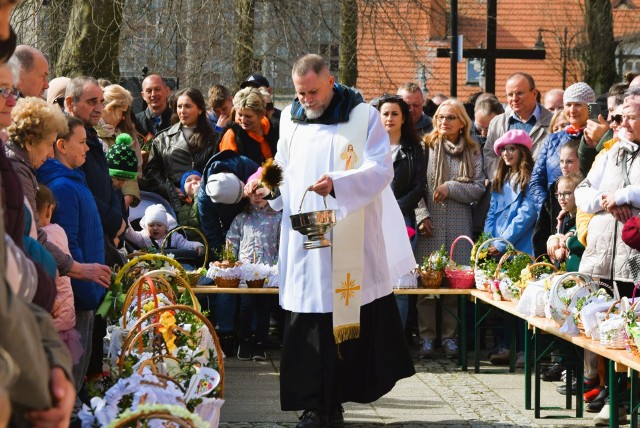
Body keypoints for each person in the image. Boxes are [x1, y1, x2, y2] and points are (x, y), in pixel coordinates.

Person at [246, 53, 415, 427]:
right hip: (305, 230)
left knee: (343, 317)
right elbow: (281, 164)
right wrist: (266, 186)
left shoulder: (363, 116)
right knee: (307, 319)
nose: (306, 100)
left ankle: (335, 401)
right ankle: (312, 406)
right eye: (300, 93)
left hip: (346, 230)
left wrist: (338, 183)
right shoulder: (290, 118)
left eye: (313, 92)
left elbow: (380, 168)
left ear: (331, 80)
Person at [36, 115, 108, 395]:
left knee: (76, 378)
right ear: (61, 145)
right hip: (77, 296)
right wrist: (87, 288)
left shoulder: (72, 180)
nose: (87, 149)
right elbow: (69, 243)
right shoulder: (63, 187)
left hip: (85, 289)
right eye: (82, 142)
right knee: (70, 380)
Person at [415, 99, 485, 359]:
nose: (444, 122)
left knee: (454, 285)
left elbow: (478, 188)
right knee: (428, 285)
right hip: (430, 224)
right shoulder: (427, 147)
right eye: (441, 117)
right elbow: (417, 185)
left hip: (458, 224)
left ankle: (450, 338)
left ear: (462, 122)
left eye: (450, 118)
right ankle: (426, 338)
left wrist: (451, 187)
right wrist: (421, 215)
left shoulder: (472, 150)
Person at [376, 94, 426, 328]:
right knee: (374, 280)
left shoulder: (415, 149)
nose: (389, 118)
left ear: (404, 117)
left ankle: (397, 338)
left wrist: (394, 210)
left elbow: (418, 187)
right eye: (385, 113)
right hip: (372, 217)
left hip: (402, 218)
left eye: (395, 113)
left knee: (400, 283)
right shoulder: (370, 147)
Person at [227, 166, 282, 361]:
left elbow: (281, 243)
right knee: (246, 306)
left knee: (264, 307)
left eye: (262, 192)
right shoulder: (242, 218)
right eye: (253, 193)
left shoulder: (277, 218)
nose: (257, 196)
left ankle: (260, 342)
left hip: (267, 271)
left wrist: (278, 266)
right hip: (245, 271)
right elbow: (231, 241)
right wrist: (230, 262)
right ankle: (244, 340)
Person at [142, 87, 217, 211]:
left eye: (187, 106)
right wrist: (169, 190)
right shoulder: (162, 138)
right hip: (173, 204)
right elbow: (151, 172)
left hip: (207, 201)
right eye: (179, 106)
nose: (182, 111)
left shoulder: (214, 138)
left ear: (199, 109)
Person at [35, 184, 84, 365]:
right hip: (65, 313)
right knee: (62, 367)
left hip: (49, 314)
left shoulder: (37, 239)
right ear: (49, 210)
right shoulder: (58, 231)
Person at [529, 82, 596, 211]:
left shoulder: (596, 136)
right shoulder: (552, 139)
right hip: (553, 214)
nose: (572, 110)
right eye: (568, 105)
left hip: (586, 212)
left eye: (578, 105)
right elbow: (536, 180)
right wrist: (546, 208)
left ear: (589, 107)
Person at [483, 72, 554, 181]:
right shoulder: (497, 123)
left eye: (519, 93)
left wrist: (529, 180)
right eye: (510, 95)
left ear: (534, 93)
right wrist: (507, 180)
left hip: (538, 191)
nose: (514, 99)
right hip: (505, 191)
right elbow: (489, 158)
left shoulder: (553, 123)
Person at [484, 129, 537, 255]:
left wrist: (502, 242)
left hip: (520, 248)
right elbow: (491, 213)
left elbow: (526, 215)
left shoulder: (532, 179)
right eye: (503, 149)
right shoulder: (500, 179)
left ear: (522, 151)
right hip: (496, 247)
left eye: (511, 149)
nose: (505, 153)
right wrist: (488, 241)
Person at [532, 140, 580, 257]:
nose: (564, 166)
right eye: (561, 161)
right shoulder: (554, 186)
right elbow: (543, 225)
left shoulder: (586, 186)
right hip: (554, 253)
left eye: (569, 161)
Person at [96, 84, 141, 208]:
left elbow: (131, 171)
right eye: (122, 112)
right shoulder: (91, 134)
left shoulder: (119, 136)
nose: (122, 118)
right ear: (110, 107)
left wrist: (129, 196)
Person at [218, 86, 279, 165]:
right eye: (240, 114)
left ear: (262, 114)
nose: (243, 120)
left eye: (248, 116)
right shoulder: (232, 135)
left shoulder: (274, 130)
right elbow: (227, 169)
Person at [125, 203, 204, 255]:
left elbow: (186, 244)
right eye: (151, 225)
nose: (155, 228)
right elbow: (131, 235)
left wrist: (197, 246)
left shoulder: (174, 237)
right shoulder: (143, 237)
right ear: (146, 226)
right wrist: (124, 220)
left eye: (159, 225)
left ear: (166, 226)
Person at [134, 74, 172, 138]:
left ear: (167, 91)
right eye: (149, 91)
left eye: (157, 89)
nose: (153, 94)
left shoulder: (177, 120)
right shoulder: (135, 123)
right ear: (143, 95)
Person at [176, 170, 203, 240]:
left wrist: (198, 193)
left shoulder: (208, 201)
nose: (194, 181)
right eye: (188, 181)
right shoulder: (182, 208)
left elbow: (199, 212)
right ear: (184, 189)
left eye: (197, 179)